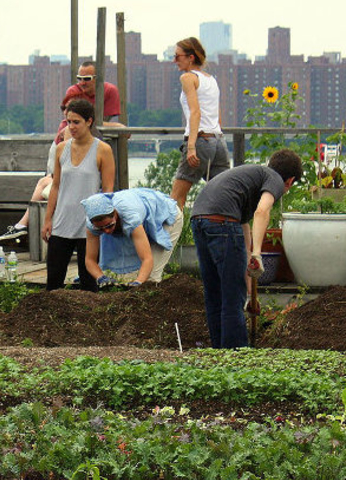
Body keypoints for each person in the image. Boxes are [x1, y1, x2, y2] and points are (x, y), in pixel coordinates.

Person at [189, 149, 303, 349]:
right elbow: (262, 211)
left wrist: (250, 292)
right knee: (232, 296)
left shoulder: (250, 178)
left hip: (199, 219)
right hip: (223, 222)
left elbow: (244, 237)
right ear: (290, 181)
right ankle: (236, 354)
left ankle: (218, 352)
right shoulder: (274, 179)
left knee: (215, 293)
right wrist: (259, 254)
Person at [41, 98, 115, 291]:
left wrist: (106, 221)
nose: (71, 127)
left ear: (89, 122)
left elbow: (108, 190)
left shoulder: (103, 150)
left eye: (76, 122)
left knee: (88, 282)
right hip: (62, 222)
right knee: (54, 280)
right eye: (68, 122)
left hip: (89, 225)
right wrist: (48, 218)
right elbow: (56, 186)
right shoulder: (61, 149)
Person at [171, 37, 230, 213]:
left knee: (177, 197)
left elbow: (195, 112)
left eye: (177, 56)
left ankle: (174, 239)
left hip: (201, 140)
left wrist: (190, 147)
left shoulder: (188, 78)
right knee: (225, 195)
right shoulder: (211, 79)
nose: (174, 60)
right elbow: (217, 115)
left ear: (191, 57)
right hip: (218, 141)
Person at [0, 109, 73, 243]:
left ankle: (21, 225)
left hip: (72, 187)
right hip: (62, 182)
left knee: (44, 183)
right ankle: (22, 225)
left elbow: (68, 169)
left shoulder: (86, 143)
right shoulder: (64, 140)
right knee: (44, 181)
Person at [81, 188, 184, 286]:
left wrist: (138, 284)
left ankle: (152, 302)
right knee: (131, 275)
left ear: (115, 213)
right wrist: (101, 278)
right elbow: (90, 260)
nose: (106, 231)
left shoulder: (130, 217)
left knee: (151, 277)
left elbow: (147, 259)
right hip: (144, 219)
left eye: (109, 225)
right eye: (101, 229)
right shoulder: (92, 224)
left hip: (166, 217)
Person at [63, 60, 122, 125]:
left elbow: (101, 122)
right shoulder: (73, 91)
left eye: (87, 78)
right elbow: (72, 121)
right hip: (73, 130)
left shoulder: (110, 91)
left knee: (123, 132)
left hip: (95, 128)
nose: (82, 83)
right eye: (79, 78)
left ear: (98, 78)